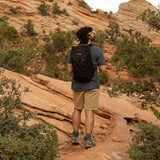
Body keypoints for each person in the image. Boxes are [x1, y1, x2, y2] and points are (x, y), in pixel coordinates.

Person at [67, 27, 107, 149]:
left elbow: (69, 70)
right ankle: (88, 139)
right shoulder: (97, 50)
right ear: (88, 36)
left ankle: (74, 136)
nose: (93, 34)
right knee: (89, 112)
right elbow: (104, 69)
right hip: (92, 85)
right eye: (91, 32)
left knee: (77, 109)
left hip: (77, 84)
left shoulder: (73, 50)